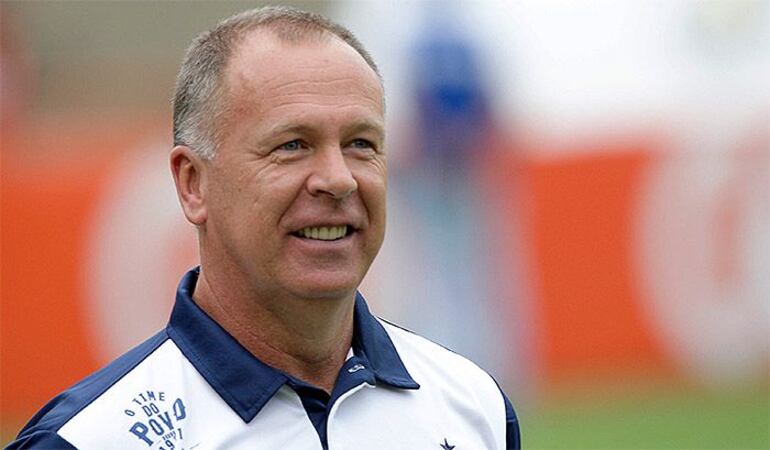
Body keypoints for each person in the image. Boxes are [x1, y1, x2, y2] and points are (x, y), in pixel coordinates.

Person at [7, 6, 520, 449]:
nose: (338, 179)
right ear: (193, 184)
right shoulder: (88, 441)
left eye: (361, 144)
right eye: (292, 145)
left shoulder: (473, 406)